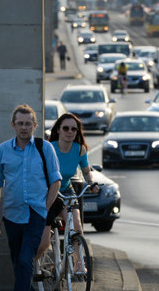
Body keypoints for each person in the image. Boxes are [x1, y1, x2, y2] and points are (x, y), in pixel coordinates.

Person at [0, 104, 61, 291]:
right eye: (20, 123)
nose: (24, 127)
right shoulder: (3, 150)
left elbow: (56, 181)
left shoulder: (45, 148)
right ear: (12, 125)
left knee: (24, 260)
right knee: (18, 262)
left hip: (36, 213)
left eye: (28, 124)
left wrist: (45, 209)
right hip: (12, 215)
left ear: (35, 125)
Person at [37, 113, 99, 269]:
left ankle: (78, 263)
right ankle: (44, 254)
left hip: (66, 188)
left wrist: (91, 183)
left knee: (76, 226)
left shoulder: (80, 150)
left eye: (74, 129)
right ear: (58, 130)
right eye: (65, 128)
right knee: (46, 232)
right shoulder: (49, 148)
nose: (69, 132)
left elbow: (86, 171)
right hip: (48, 190)